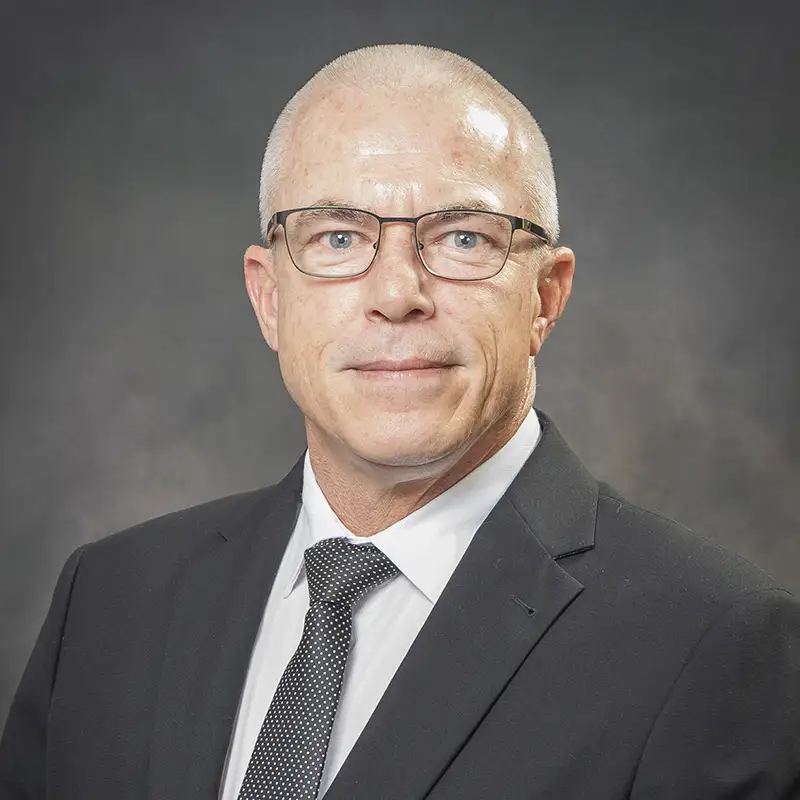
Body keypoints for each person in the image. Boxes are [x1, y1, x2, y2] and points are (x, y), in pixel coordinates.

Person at [1, 43, 798, 800]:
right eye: (337, 237)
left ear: (545, 298)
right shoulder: (110, 600)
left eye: (462, 237)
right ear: (269, 297)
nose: (396, 295)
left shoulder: (717, 645)